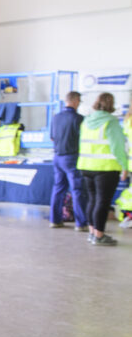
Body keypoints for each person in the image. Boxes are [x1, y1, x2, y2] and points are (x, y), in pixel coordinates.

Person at [76, 92, 128, 246]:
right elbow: (117, 147)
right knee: (102, 202)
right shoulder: (111, 122)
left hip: (86, 166)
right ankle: (99, 235)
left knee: (92, 199)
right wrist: (124, 166)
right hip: (106, 168)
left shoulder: (86, 121)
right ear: (111, 105)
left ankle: (92, 233)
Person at [48, 90, 88, 231]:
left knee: (58, 189)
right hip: (71, 158)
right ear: (76, 101)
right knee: (77, 190)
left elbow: (52, 137)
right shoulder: (79, 119)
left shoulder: (56, 118)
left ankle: (54, 220)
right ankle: (81, 223)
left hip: (57, 157)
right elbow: (84, 139)